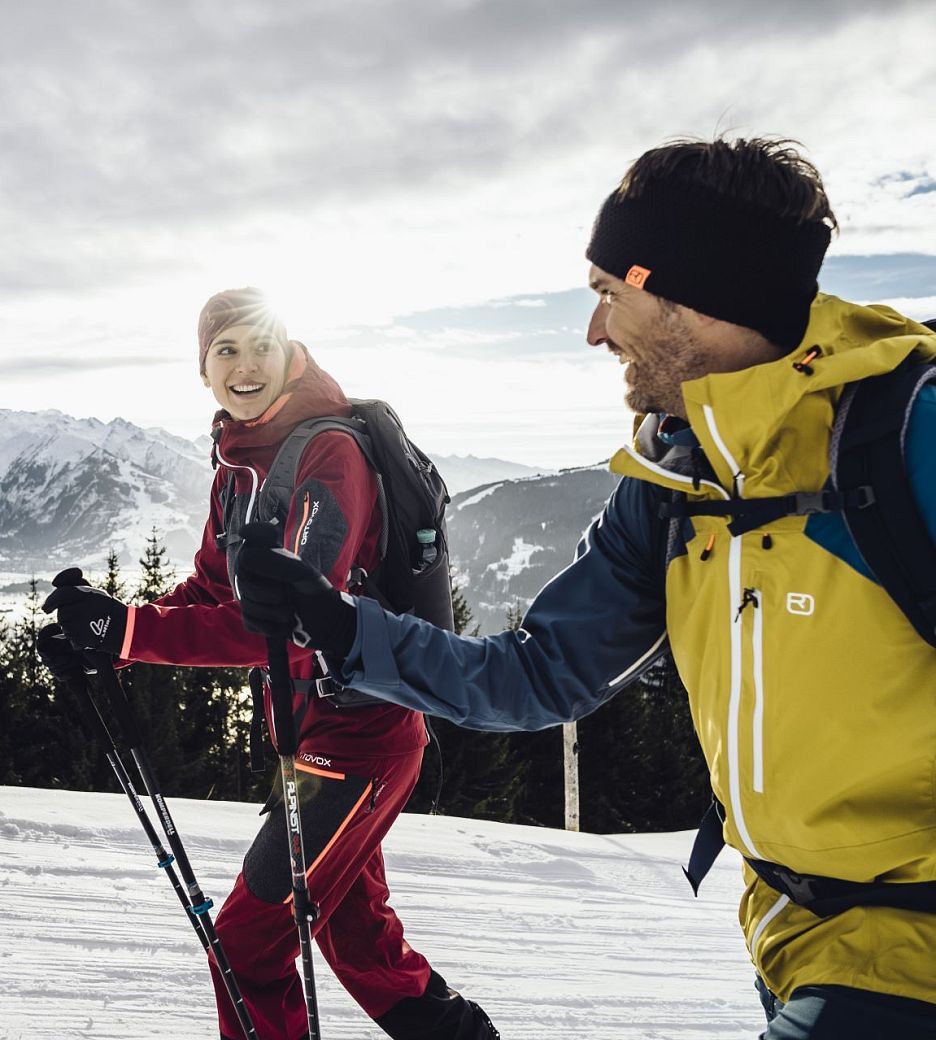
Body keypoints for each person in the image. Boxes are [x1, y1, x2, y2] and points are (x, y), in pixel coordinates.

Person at [229, 140, 936, 1040]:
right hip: (791, 932)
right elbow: (540, 673)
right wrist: (339, 627)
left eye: (609, 292)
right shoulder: (680, 478)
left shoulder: (908, 439)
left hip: (911, 951)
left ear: (695, 292)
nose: (594, 330)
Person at [40, 287, 500, 1040]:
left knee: (247, 942)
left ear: (291, 352)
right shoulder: (237, 466)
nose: (245, 366)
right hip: (314, 734)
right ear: (203, 369)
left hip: (360, 738)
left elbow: (291, 627)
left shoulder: (330, 454)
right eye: (226, 351)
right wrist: (110, 638)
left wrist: (129, 633)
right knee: (356, 935)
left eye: (260, 346)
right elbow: (214, 590)